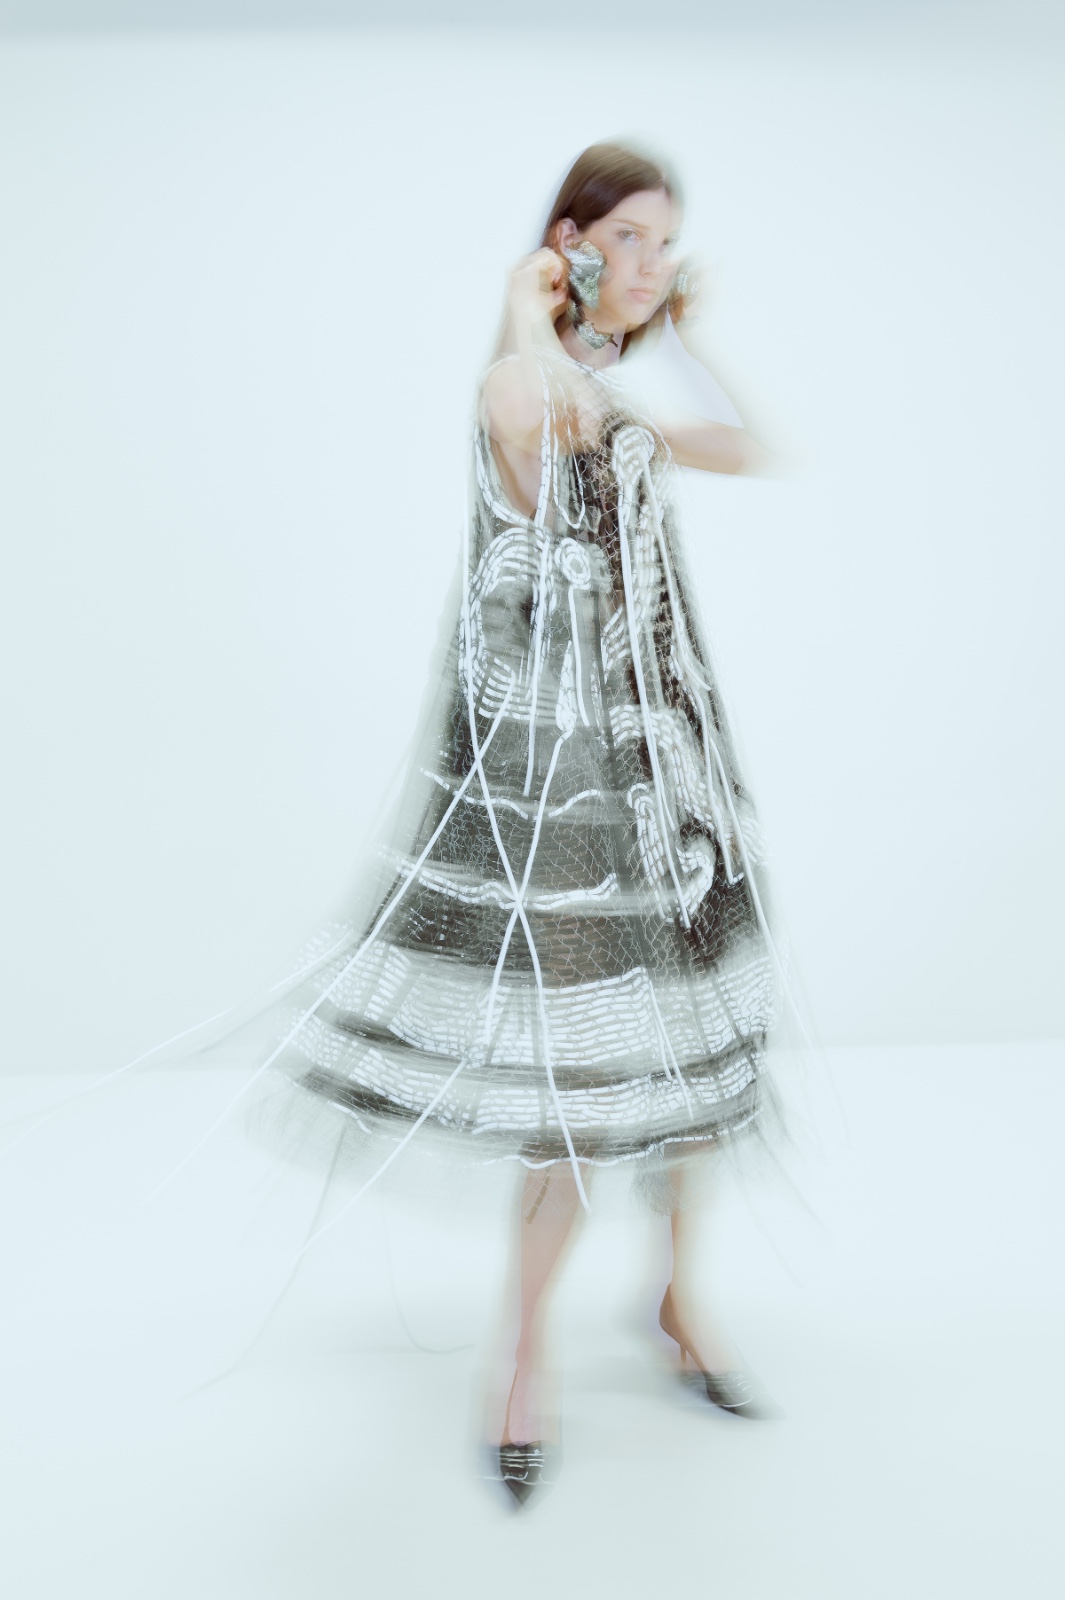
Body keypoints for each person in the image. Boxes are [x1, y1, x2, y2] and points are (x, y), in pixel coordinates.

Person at [257, 139, 790, 1508]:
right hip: (565, 794)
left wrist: (693, 340)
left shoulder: (609, 400)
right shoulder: (520, 381)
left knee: (696, 1050)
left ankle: (677, 1300)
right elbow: (542, 408)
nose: (658, 261)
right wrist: (522, 300)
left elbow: (752, 447)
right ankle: (521, 1358)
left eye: (667, 239)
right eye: (635, 237)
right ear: (572, 243)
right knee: (580, 1082)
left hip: (669, 766)